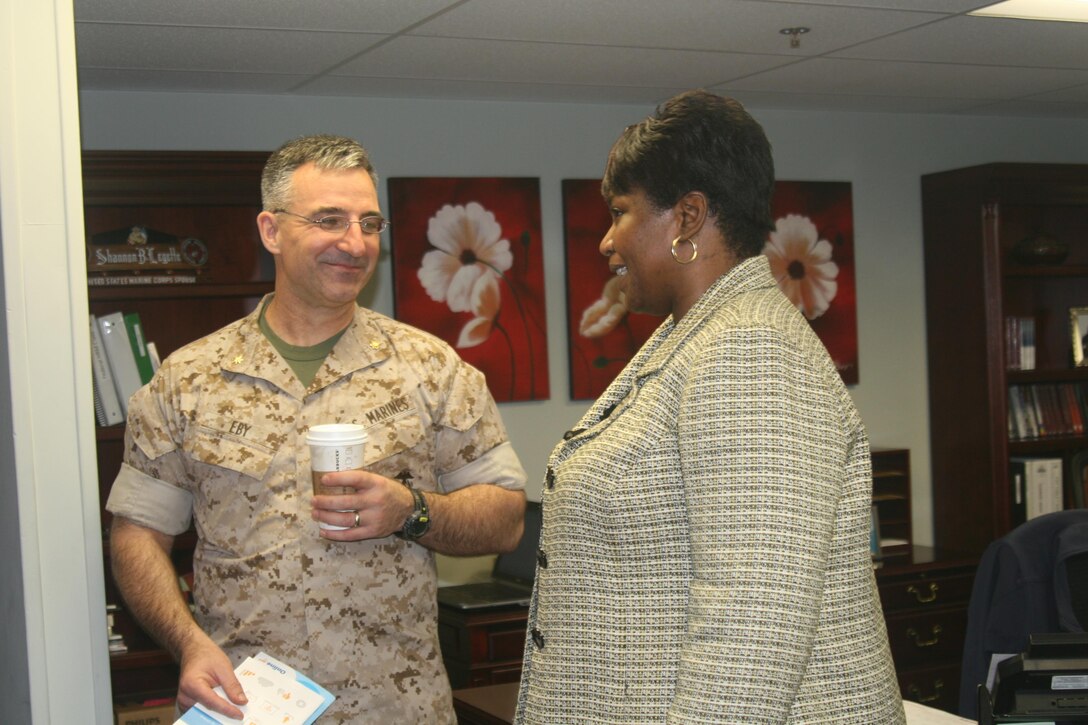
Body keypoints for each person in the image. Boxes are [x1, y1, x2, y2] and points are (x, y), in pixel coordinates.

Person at [107, 134, 528, 723]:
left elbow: (507, 517)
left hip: (396, 707)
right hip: (247, 705)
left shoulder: (430, 369)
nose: (354, 243)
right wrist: (189, 642)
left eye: (369, 223)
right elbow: (137, 534)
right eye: (330, 219)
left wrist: (412, 511)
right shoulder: (189, 380)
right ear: (271, 231)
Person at [515, 91, 905, 723]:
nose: (607, 242)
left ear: (689, 216)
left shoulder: (749, 347)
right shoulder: (694, 337)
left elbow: (751, 633)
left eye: (620, 213)